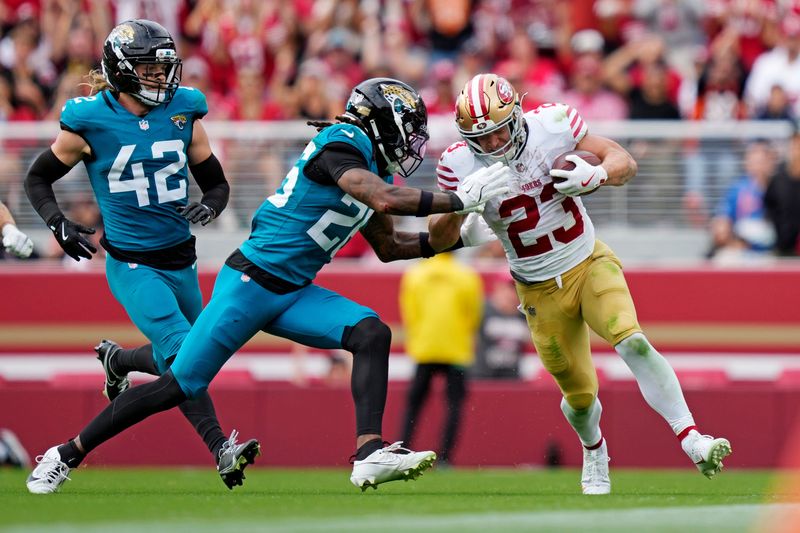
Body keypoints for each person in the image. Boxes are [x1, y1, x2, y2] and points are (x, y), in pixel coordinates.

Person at [25, 76, 510, 494]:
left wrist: (456, 238)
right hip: (251, 283)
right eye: (406, 130)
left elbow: (387, 246)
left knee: (370, 333)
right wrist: (456, 199)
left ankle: (369, 453)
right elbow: (383, 199)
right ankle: (65, 454)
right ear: (382, 122)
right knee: (179, 384)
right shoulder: (342, 144)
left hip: (292, 288)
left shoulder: (372, 164)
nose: (410, 144)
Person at [429, 73, 732, 495]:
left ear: (516, 115)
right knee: (580, 397)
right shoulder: (458, 163)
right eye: (484, 137)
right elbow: (438, 238)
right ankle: (594, 449)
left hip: (587, 260)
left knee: (632, 340)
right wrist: (461, 202)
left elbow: (623, 160)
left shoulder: (553, 124)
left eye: (500, 131)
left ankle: (692, 438)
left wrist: (599, 177)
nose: (495, 144)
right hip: (536, 288)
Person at [23, 20, 258, 492]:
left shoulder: (184, 109)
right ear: (124, 71)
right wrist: (58, 221)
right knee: (185, 361)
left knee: (196, 357)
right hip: (132, 263)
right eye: (150, 68)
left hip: (183, 261)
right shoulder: (90, 117)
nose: (161, 78)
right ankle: (215, 448)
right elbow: (36, 178)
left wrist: (210, 205)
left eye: (164, 67)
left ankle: (121, 362)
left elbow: (216, 182)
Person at [399, 251, 483, 466]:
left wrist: (418, 336)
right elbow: (474, 314)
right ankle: (445, 457)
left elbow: (409, 312)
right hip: (456, 349)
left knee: (414, 404)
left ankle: (402, 451)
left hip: (425, 348)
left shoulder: (415, 274)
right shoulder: (466, 275)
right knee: (454, 405)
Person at [471, 272, 530, 380]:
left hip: (511, 376)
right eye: (508, 288)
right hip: (481, 375)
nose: (512, 293)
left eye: (516, 289)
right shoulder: (482, 310)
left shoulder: (524, 314)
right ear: (497, 288)